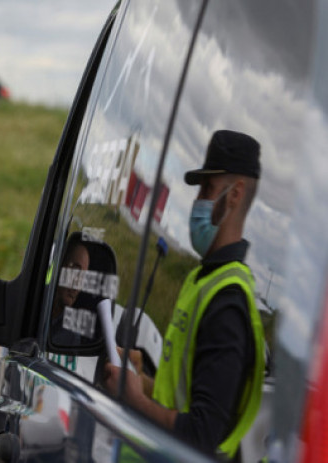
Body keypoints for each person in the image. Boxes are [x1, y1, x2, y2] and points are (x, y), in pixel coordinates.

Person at [104, 130, 266, 461]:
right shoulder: (202, 278)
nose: (197, 202)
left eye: (207, 190)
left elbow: (201, 436)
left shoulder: (228, 301)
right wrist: (143, 380)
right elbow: (180, 399)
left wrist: (134, 399)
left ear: (235, 195)